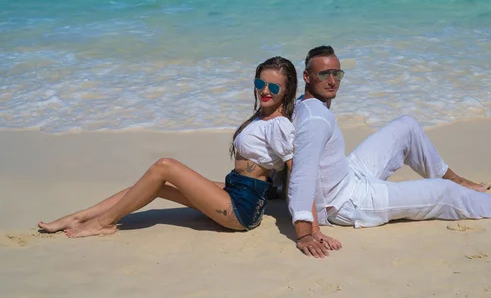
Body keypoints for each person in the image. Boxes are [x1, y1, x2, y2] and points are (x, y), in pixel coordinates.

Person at [288, 45, 491, 258]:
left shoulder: (306, 105)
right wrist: (307, 231)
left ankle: (454, 177)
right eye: (324, 74)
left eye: (337, 73)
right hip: (349, 202)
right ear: (307, 76)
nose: (332, 80)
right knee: (441, 194)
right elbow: (303, 174)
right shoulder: (314, 120)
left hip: (349, 175)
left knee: (407, 126)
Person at [38, 56, 340, 245]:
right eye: (261, 82)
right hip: (235, 191)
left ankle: (103, 224)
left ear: (285, 91)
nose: (265, 91)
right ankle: (76, 217)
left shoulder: (280, 126)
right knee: (150, 184)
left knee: (164, 166)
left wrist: (310, 228)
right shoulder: (263, 117)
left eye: (274, 88)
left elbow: (299, 173)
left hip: (242, 210)